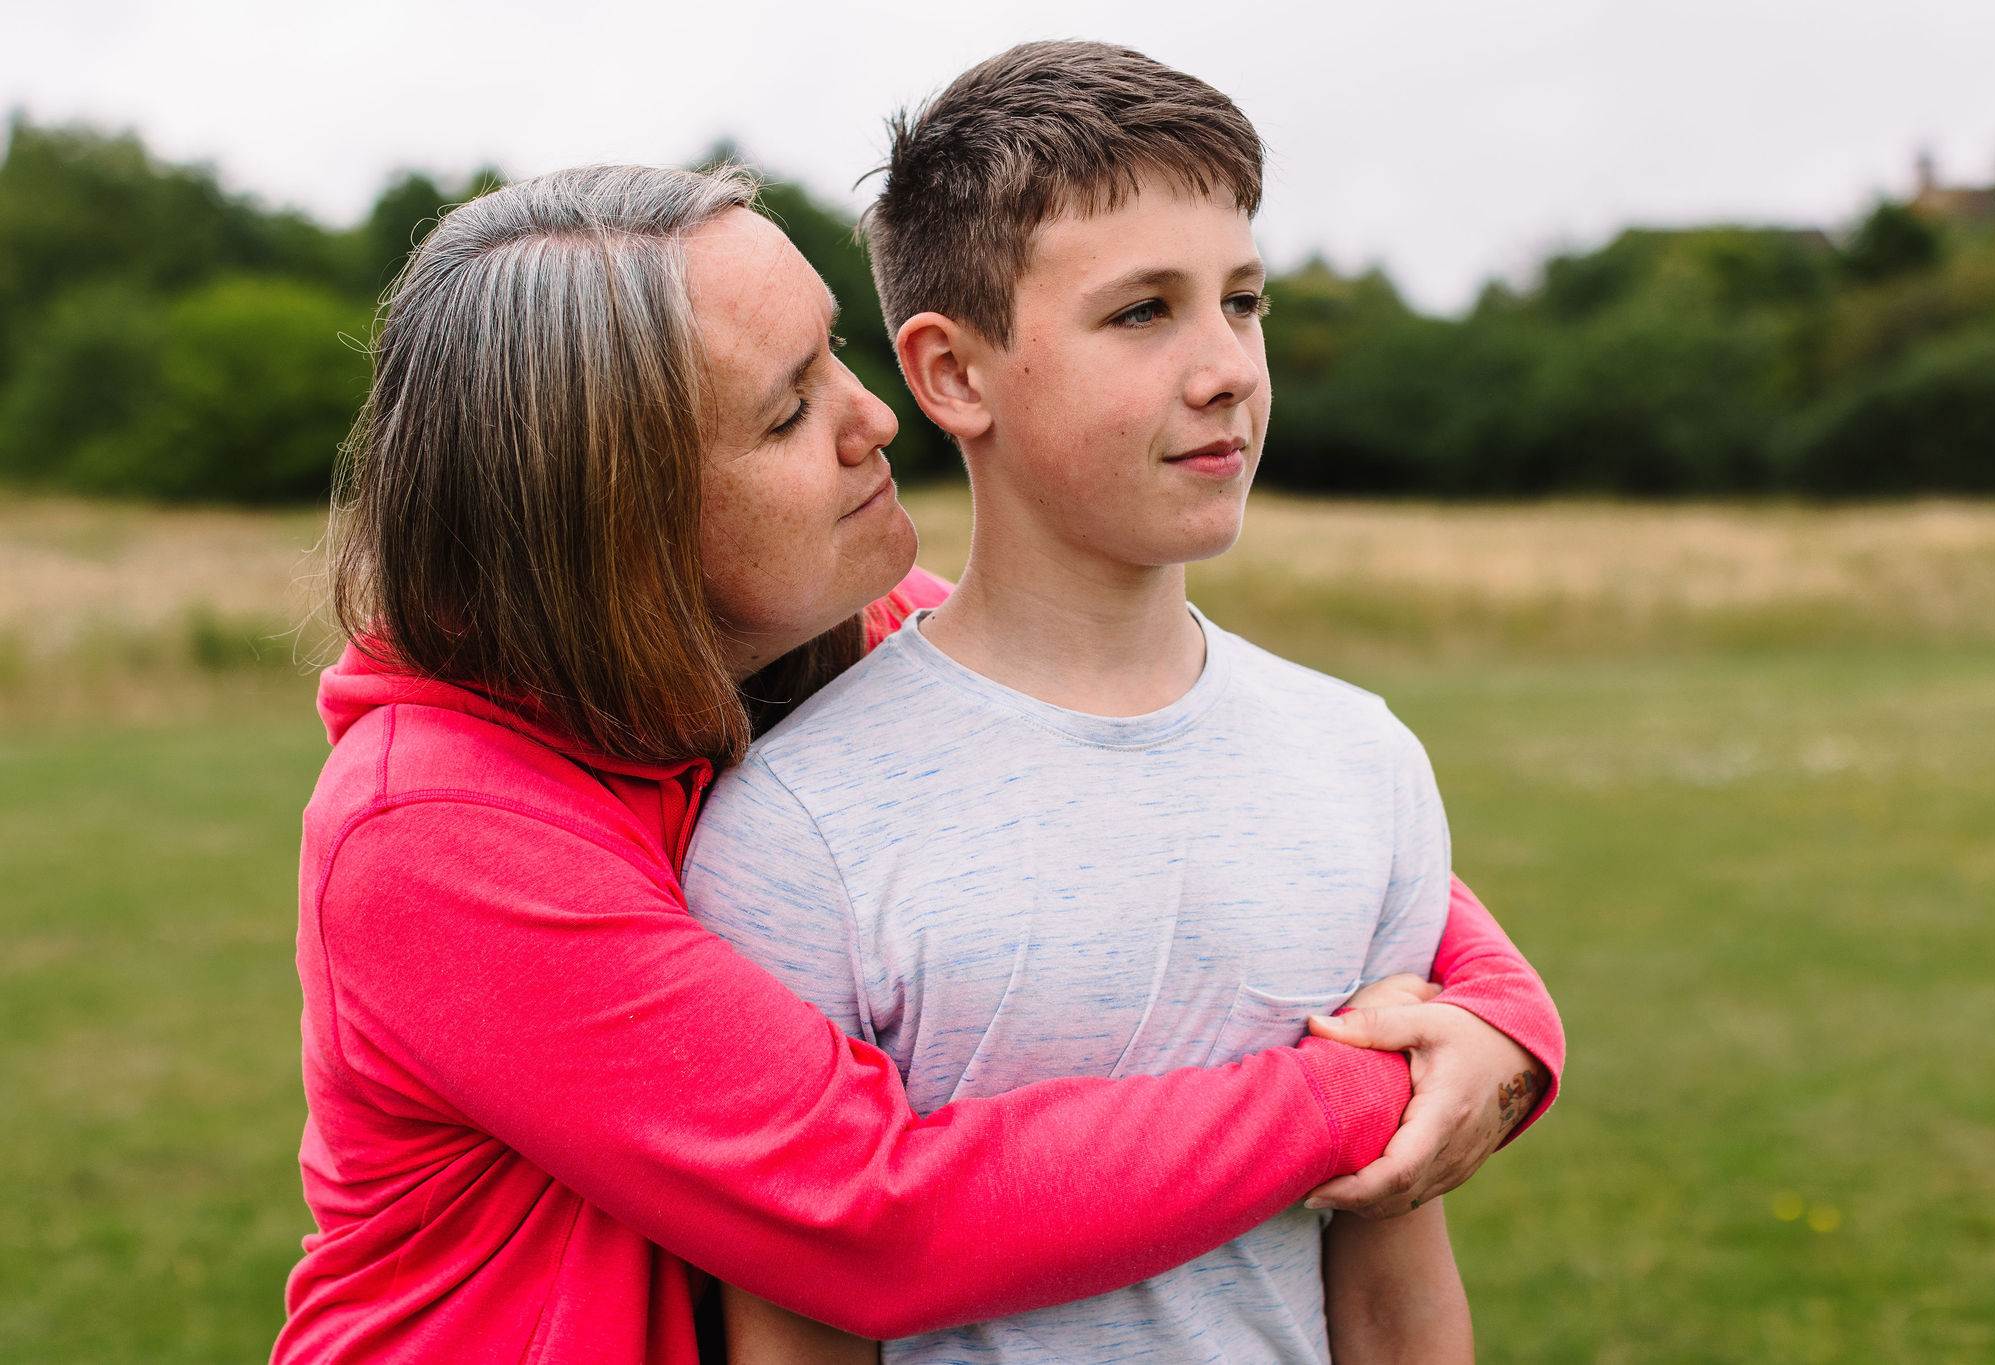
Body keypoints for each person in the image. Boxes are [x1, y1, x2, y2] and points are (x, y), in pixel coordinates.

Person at [276, 159, 1563, 1365]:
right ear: (609, 520)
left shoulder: (862, 638)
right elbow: (869, 1219)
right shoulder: (433, 835)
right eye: (787, 413)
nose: (876, 418)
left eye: (832, 351)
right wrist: (1361, 1089)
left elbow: (1320, 845)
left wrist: (1505, 1019)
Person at [684, 43, 1540, 1365]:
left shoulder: (1360, 760)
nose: (1229, 371)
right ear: (954, 374)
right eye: (1144, 312)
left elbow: (1389, 1270)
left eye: (1241, 302)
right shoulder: (800, 824)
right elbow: (799, 1328)